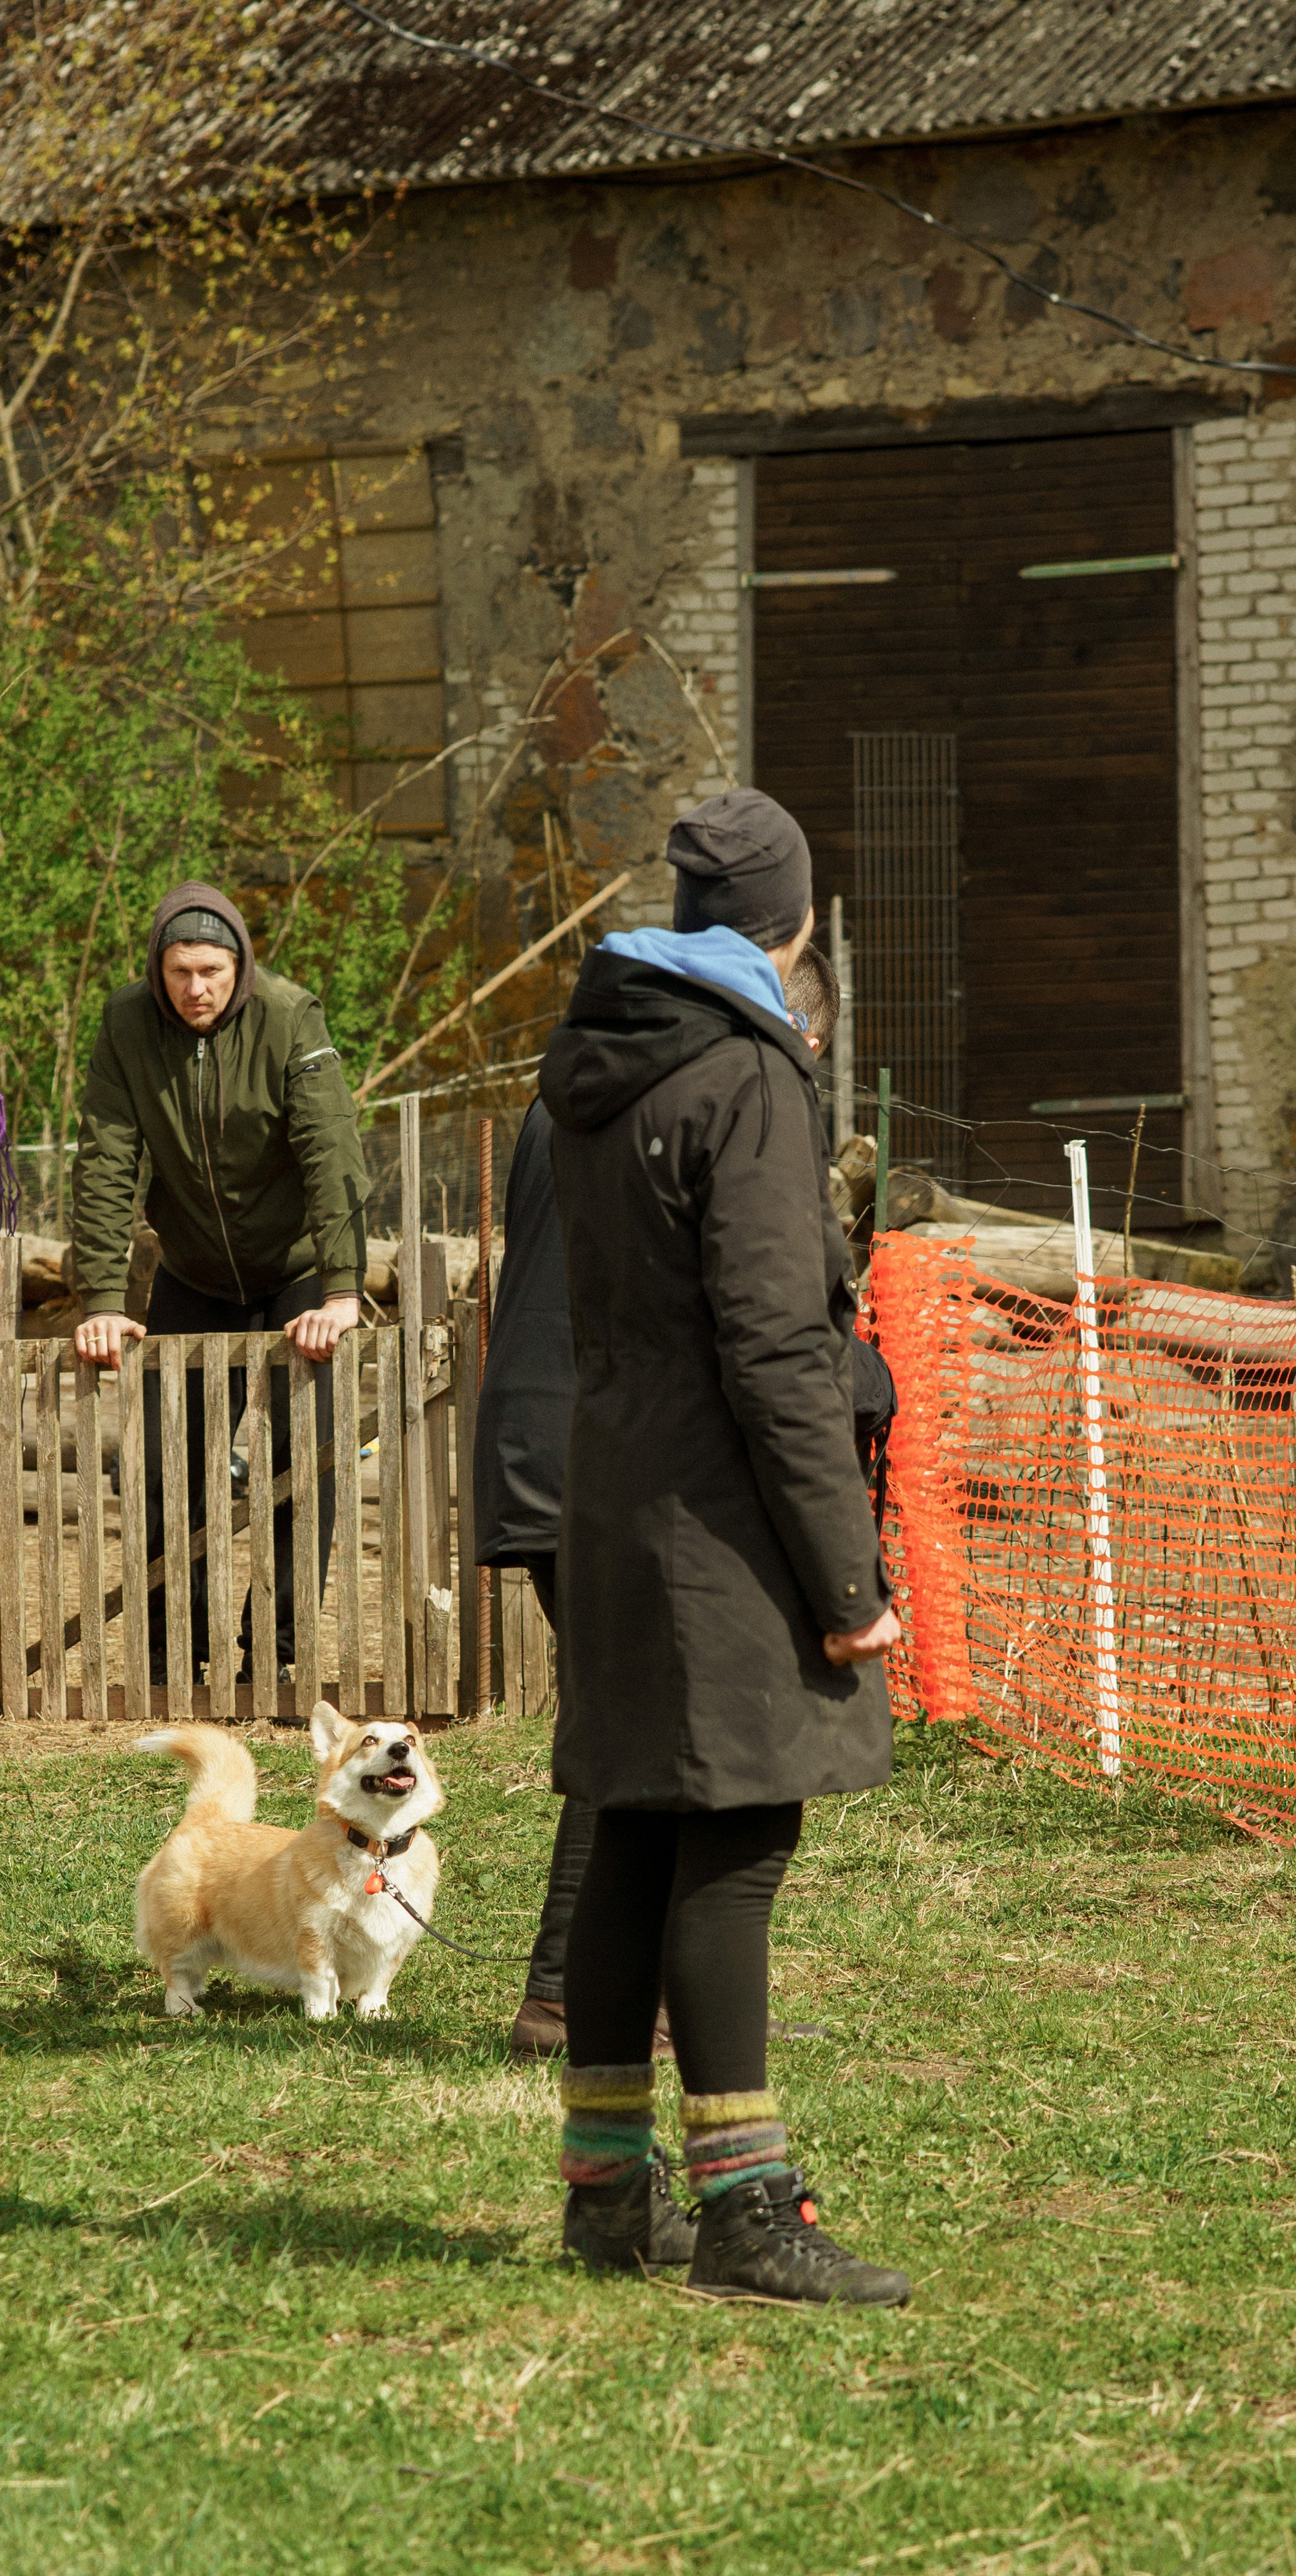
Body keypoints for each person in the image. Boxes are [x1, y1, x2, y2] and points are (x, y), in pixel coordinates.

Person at [539, 789, 908, 2303]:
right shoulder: (747, 1079)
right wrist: (846, 1579)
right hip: (718, 1516)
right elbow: (775, 1350)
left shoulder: (597, 1059)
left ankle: (605, 2193)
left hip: (615, 1492)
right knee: (735, 1844)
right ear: (794, 921)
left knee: (634, 1829)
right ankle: (747, 2213)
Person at [480, 942, 845, 2062]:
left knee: (632, 1732)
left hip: (550, 1434)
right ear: (800, 1027)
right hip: (621, 1453)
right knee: (639, 1746)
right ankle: (566, 2002)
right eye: (808, 1047)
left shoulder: (578, 1082)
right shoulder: (709, 1095)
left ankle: (623, 2000)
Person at [69, 884, 368, 1680]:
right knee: (172, 1467)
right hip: (193, 1273)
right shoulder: (127, 1023)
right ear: (157, 970)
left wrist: (340, 1289)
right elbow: (104, 1157)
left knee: (303, 1466)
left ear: (239, 965)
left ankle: (277, 1654)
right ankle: (175, 1650)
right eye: (179, 971)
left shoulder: (289, 1015)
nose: (195, 988)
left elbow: (329, 1149)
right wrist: (102, 1298)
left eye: (210, 969)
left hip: (295, 1272)